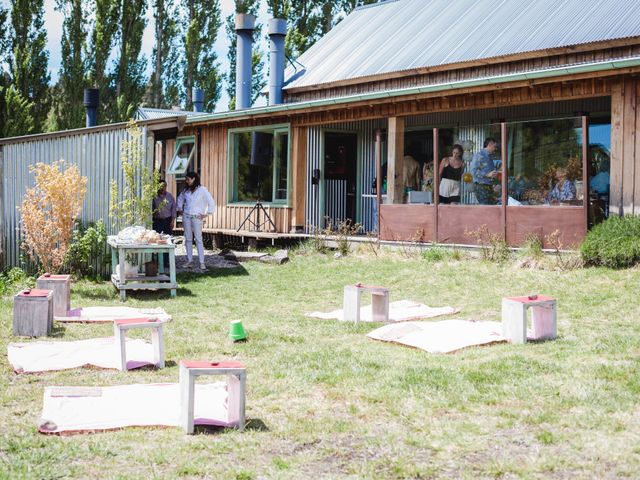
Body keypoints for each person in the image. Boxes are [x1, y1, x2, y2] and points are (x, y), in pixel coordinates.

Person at [177, 172, 216, 270]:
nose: (186, 181)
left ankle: (202, 262)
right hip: (186, 216)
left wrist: (207, 214)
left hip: (197, 217)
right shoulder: (186, 190)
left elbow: (211, 202)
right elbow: (180, 198)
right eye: (186, 179)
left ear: (194, 179)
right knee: (188, 239)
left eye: (188, 179)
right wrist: (180, 208)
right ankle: (189, 261)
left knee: (198, 239)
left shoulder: (202, 190)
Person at [152, 180, 176, 268]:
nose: (162, 188)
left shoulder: (170, 197)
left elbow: (173, 210)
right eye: (161, 186)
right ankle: (155, 261)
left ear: (166, 186)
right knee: (155, 241)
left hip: (167, 221)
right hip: (157, 221)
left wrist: (172, 222)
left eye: (164, 186)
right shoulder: (154, 196)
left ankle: (166, 262)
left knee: (168, 241)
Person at [471, 137, 499, 205]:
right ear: (489, 144)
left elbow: (490, 173)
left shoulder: (490, 157)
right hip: (480, 187)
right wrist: (487, 174)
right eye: (494, 146)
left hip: (489, 187)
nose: (495, 149)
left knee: (491, 208)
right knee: (486, 208)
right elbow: (473, 172)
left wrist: (494, 182)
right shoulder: (479, 155)